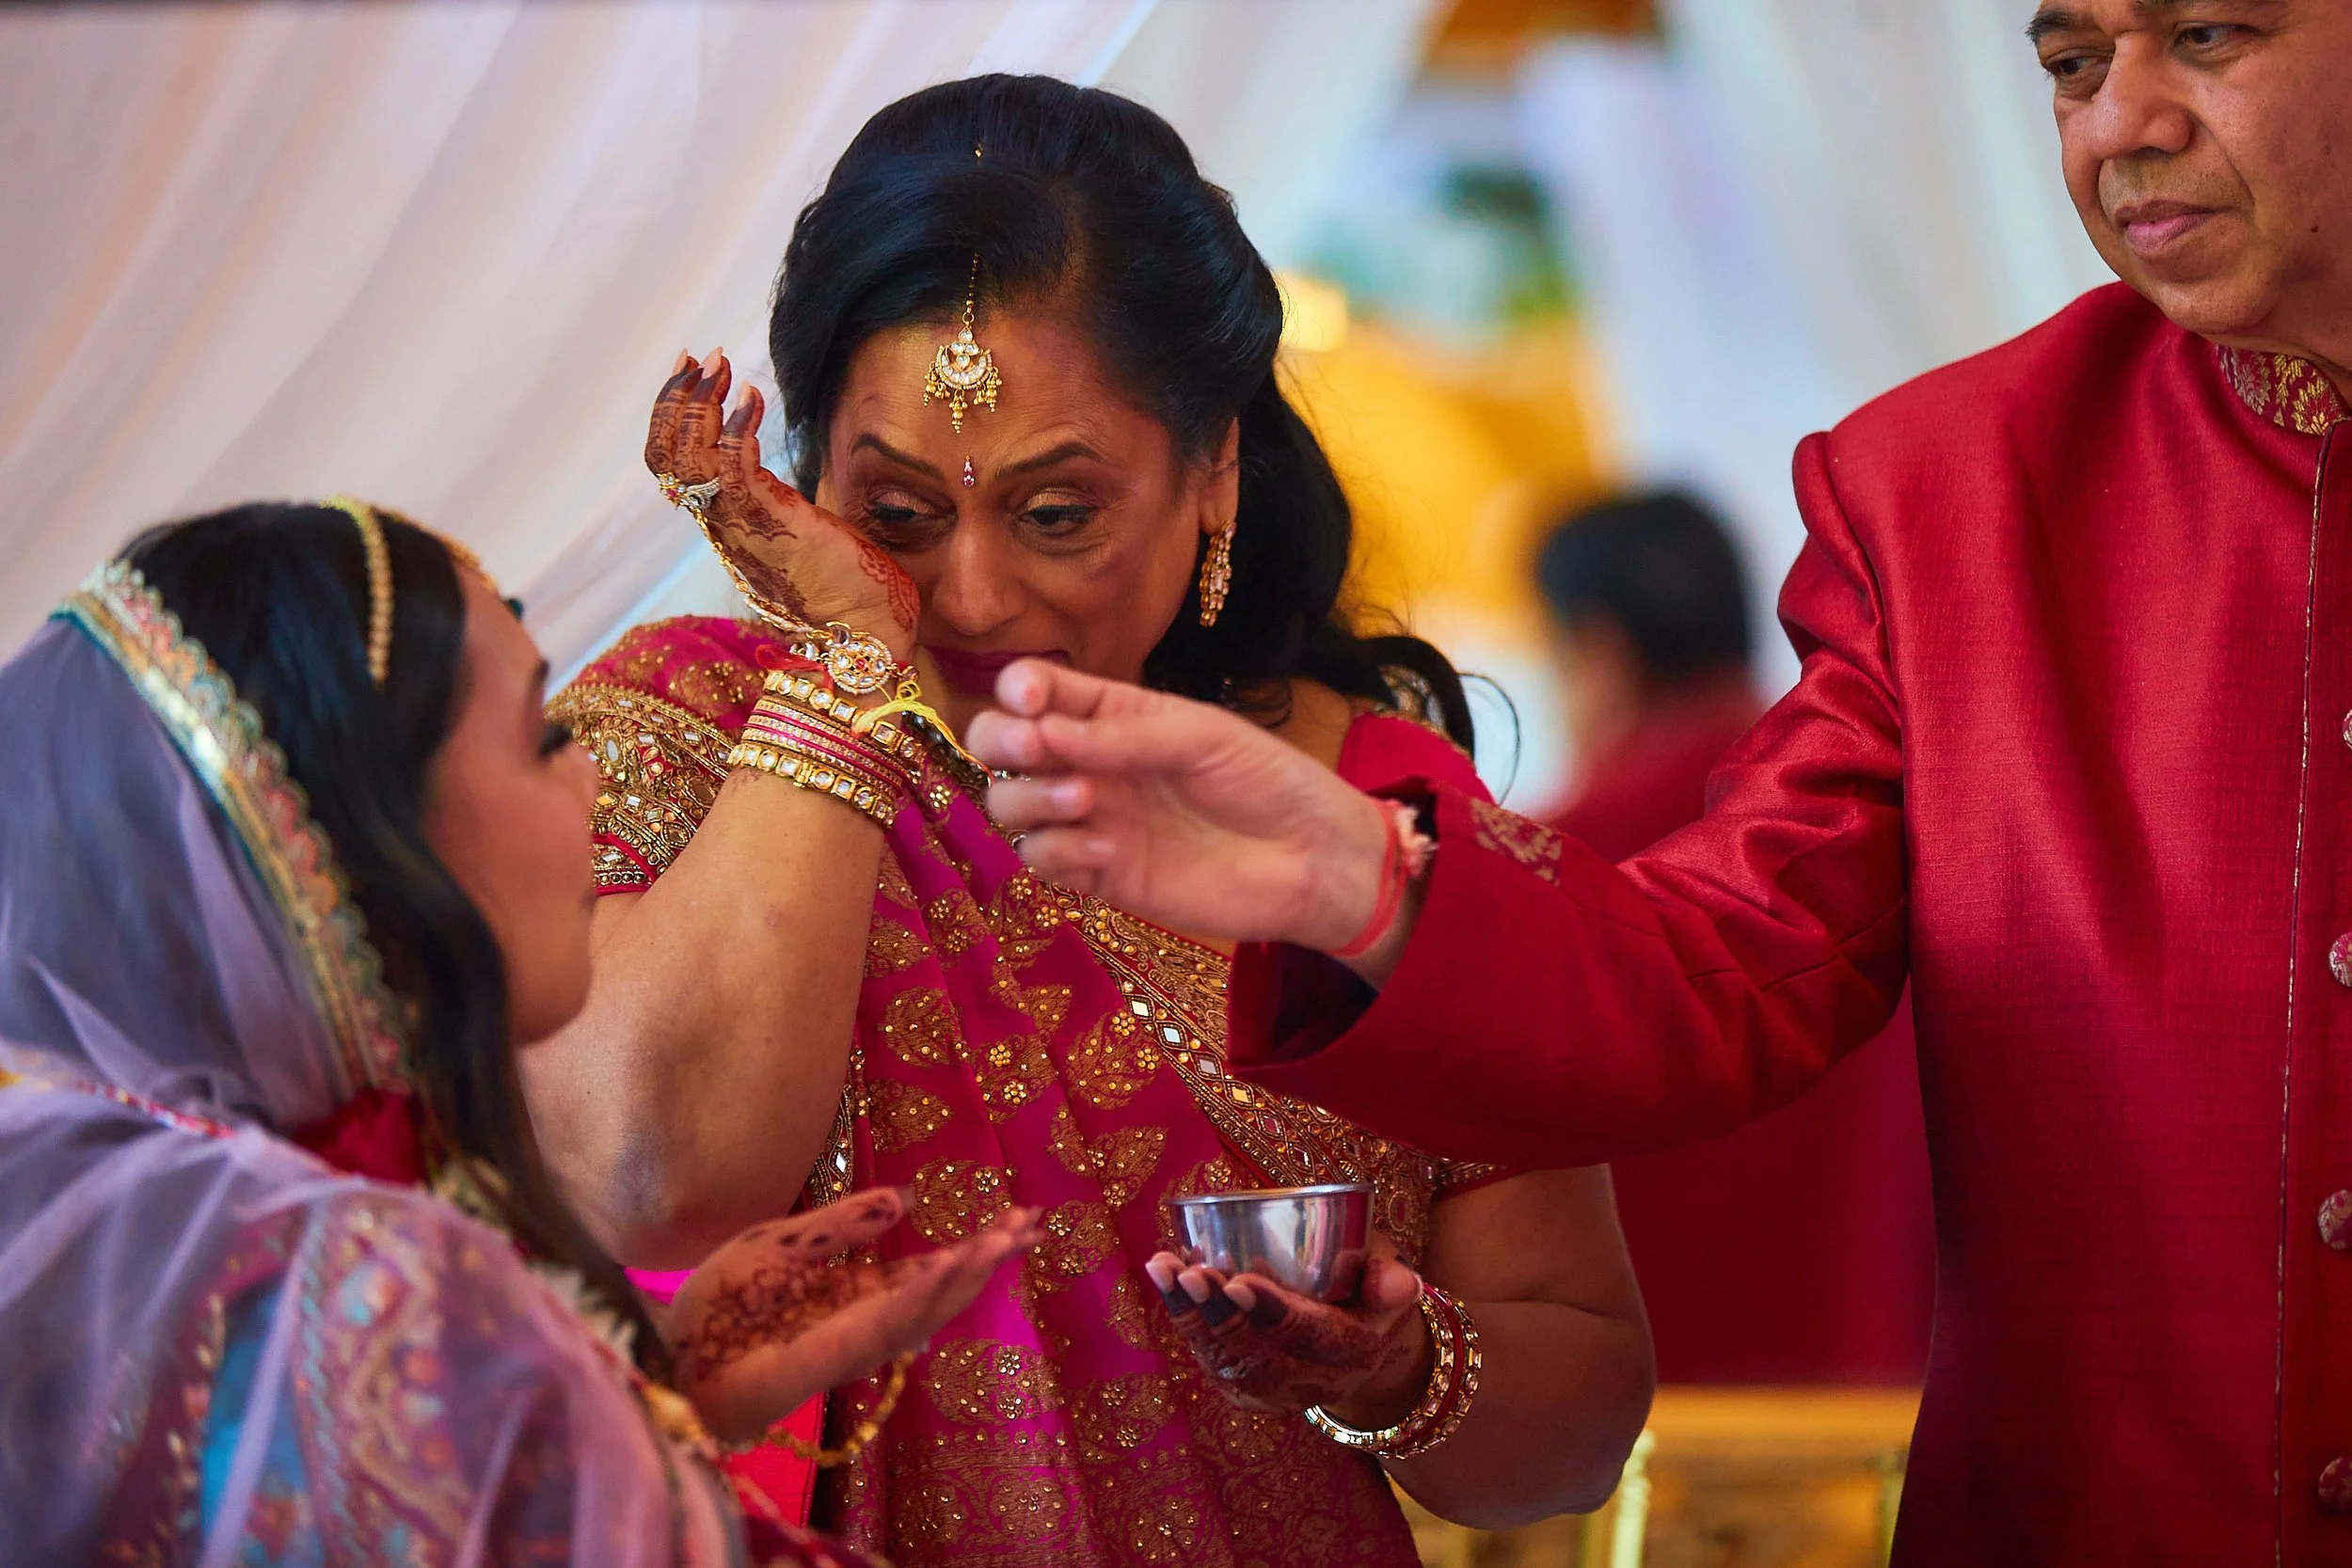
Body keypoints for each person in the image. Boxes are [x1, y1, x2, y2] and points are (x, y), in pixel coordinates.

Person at [966, 4, 2352, 1562]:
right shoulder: (1957, 492)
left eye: (2211, 37)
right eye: (2072, 66)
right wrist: (1368, 888)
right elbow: (1717, 962)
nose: (2119, 127)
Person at [521, 74, 1653, 1567]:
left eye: (1058, 513)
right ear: (802, 481)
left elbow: (1575, 1418)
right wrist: (846, 681)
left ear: (1215, 472)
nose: (977, 594)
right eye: (899, 513)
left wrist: (1401, 1367)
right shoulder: (685, 728)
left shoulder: (1381, 821)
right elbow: (650, 1173)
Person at [0, 500, 1039, 1565]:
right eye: (545, 739)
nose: (593, 774)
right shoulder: (373, 1301)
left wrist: (637, 1402)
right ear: (370, 832)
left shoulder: (124, 1219)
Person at [1537, 492, 1933, 1385]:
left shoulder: (1554, 865)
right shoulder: (1873, 807)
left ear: (1597, 653)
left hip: (1645, 1418)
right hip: (1898, 1392)